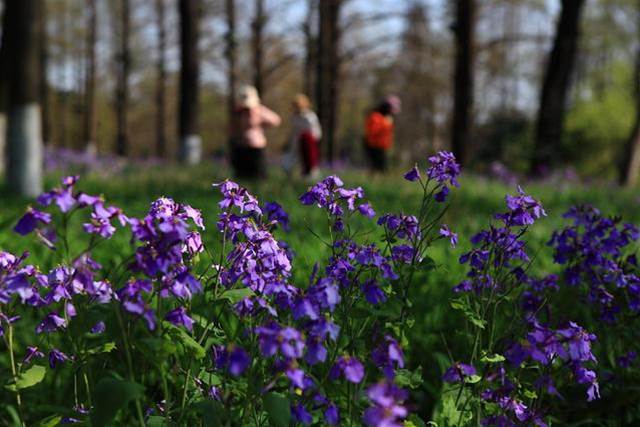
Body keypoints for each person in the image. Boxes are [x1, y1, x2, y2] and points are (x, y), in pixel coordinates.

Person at [230, 85, 281, 179]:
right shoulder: (239, 112)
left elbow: (275, 120)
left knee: (257, 173)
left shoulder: (258, 110)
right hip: (241, 145)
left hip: (256, 145)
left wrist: (261, 124)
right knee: (242, 174)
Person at [284, 94, 322, 178]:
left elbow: (316, 131)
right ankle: (293, 176)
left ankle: (311, 175)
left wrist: (310, 139)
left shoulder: (310, 116)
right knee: (293, 159)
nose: (297, 108)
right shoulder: (294, 117)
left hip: (308, 141)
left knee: (310, 159)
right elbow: (293, 131)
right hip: (297, 141)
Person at [363, 95, 401, 173]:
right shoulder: (376, 116)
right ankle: (376, 180)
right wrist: (385, 124)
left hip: (382, 146)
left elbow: (388, 134)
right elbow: (374, 131)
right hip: (374, 145)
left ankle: (379, 179)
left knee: (382, 167)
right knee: (376, 166)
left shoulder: (385, 118)